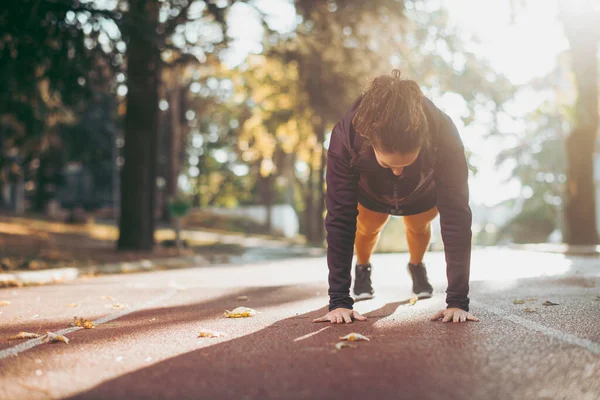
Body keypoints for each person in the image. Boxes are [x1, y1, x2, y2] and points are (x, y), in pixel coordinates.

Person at [313, 69, 479, 325]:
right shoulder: (345, 136)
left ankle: (416, 266)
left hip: (422, 191)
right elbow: (339, 216)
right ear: (370, 140)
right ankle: (363, 268)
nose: (398, 172)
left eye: (406, 163)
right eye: (388, 163)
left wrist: (458, 301)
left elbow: (456, 214)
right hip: (370, 191)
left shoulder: (444, 135)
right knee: (367, 227)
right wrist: (339, 301)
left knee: (417, 226)